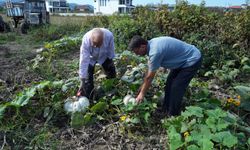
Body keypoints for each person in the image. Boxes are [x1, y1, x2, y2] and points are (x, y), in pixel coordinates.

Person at [128, 35, 202, 116]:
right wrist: (142, 88)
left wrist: (142, 94)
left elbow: (149, 77)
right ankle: (165, 109)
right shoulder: (152, 44)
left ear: (142, 46)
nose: (137, 54)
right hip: (181, 61)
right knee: (169, 84)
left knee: (176, 87)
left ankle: (173, 115)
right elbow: (149, 70)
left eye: (137, 52)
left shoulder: (155, 51)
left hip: (192, 59)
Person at [78, 28, 116, 99]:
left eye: (98, 44)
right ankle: (89, 98)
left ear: (103, 39)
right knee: (87, 80)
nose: (95, 46)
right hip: (90, 58)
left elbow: (111, 51)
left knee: (111, 74)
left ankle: (111, 93)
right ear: (91, 38)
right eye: (94, 44)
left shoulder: (109, 36)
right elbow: (84, 60)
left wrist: (110, 64)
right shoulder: (86, 39)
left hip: (104, 56)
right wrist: (82, 80)